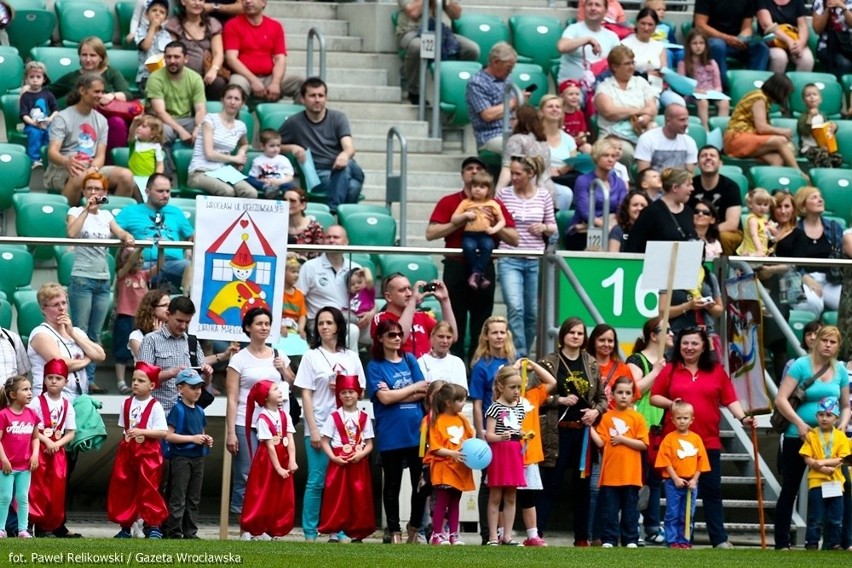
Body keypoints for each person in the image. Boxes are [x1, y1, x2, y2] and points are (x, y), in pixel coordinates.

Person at [651, 327, 754, 549]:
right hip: (677, 444)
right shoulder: (670, 370)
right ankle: (679, 538)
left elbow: (730, 399)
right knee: (677, 493)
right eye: (685, 343)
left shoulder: (717, 371)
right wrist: (672, 405)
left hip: (708, 442)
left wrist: (743, 418)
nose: (689, 348)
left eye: (694, 343)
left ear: (704, 346)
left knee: (712, 491)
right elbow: (654, 397)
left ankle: (718, 538)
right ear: (679, 346)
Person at [425, 156, 519, 362]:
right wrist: (461, 220)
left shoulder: (496, 204)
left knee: (482, 322)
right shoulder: (450, 201)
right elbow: (431, 233)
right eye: (469, 168)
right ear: (462, 175)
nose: (474, 172)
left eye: (479, 168)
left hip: (484, 267)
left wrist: (492, 223)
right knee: (454, 319)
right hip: (456, 266)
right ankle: (455, 366)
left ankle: (478, 369)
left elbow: (514, 239)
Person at [772, 325, 850, 550]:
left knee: (845, 486)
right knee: (790, 488)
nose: (827, 344)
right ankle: (782, 542)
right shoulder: (801, 365)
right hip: (800, 435)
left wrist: (843, 425)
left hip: (831, 441)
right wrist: (799, 423)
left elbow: (845, 405)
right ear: (815, 341)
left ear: (838, 346)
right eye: (824, 340)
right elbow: (781, 399)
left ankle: (841, 541)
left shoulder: (840, 371)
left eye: (833, 342)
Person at [293, 306, 366, 542]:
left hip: (347, 430)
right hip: (321, 423)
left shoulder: (351, 357)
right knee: (316, 480)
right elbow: (305, 394)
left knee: (341, 483)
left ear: (338, 327)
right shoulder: (311, 356)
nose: (324, 327)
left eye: (329, 322)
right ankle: (310, 532)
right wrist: (312, 429)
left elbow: (361, 391)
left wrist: (346, 388)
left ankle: (338, 529)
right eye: (321, 323)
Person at [536, 317, 606, 545]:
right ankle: (536, 534)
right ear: (563, 335)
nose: (576, 337)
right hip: (556, 432)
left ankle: (582, 538)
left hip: (583, 433)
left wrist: (595, 412)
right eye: (572, 333)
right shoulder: (548, 363)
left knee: (583, 486)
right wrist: (559, 399)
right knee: (550, 484)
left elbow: (602, 399)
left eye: (580, 333)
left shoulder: (591, 363)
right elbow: (535, 396)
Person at [66, 172, 136, 393]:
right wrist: (87, 209)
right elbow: (71, 233)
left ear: (105, 193)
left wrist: (127, 236)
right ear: (84, 192)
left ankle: (90, 378)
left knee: (95, 332)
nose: (93, 193)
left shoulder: (106, 217)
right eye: (89, 189)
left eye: (98, 189)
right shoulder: (75, 211)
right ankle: (78, 378)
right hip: (82, 278)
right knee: (80, 330)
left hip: (103, 280)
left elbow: (120, 231)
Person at [225, 307, 294, 519]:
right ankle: (242, 521)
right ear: (248, 327)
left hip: (274, 422)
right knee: (247, 472)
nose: (264, 328)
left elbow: (292, 382)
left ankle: (263, 520)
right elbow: (232, 397)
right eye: (259, 324)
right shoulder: (239, 359)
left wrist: (283, 368)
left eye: (267, 324)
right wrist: (230, 432)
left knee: (271, 471)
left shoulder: (278, 354)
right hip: (245, 421)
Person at [367, 319, 428, 544]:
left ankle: (414, 528)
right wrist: (409, 390)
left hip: (416, 432)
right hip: (391, 433)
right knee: (392, 484)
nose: (396, 339)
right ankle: (394, 531)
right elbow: (383, 398)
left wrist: (396, 393)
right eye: (391, 335)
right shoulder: (375, 365)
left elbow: (425, 390)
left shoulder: (410, 359)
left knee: (421, 484)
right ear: (380, 338)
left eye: (398, 334)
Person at [45, 73, 137, 204]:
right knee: (80, 176)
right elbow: (52, 153)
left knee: (126, 176)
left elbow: (100, 156)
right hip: (65, 167)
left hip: (91, 166)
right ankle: (68, 218)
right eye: (97, 91)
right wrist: (66, 161)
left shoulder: (102, 121)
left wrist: (93, 170)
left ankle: (108, 216)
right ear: (82, 91)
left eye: (102, 92)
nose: (101, 95)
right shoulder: (62, 117)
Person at [279, 77, 364, 213]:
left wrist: (344, 154)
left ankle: (333, 211)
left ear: (326, 98)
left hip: (340, 167)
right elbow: (272, 145)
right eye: (312, 96)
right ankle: (338, 217)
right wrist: (292, 147)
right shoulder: (294, 123)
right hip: (318, 175)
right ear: (302, 99)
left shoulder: (338, 118)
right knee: (353, 186)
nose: (317, 99)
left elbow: (349, 147)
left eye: (321, 95)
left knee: (346, 167)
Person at [107, 361, 169, 539]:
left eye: (141, 380)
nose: (135, 383)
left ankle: (154, 525)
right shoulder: (126, 404)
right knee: (125, 487)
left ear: (152, 385)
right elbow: (124, 428)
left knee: (149, 488)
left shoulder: (155, 406)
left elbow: (162, 432)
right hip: (127, 452)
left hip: (148, 453)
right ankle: (126, 525)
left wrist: (142, 431)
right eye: (133, 379)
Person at [626, 317, 672, 545]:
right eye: (667, 331)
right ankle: (631, 525)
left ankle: (653, 527)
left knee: (655, 480)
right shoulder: (637, 360)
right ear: (654, 335)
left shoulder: (670, 361)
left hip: (661, 428)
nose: (672, 334)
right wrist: (655, 372)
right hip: (639, 428)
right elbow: (633, 391)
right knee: (637, 480)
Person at [47, 37, 136, 154]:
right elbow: (48, 92)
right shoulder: (73, 77)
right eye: (84, 55)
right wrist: (29, 89)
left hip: (106, 117)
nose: (88, 59)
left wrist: (112, 95)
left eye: (93, 55)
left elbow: (128, 94)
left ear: (101, 57)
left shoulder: (111, 73)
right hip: (80, 118)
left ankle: (112, 160)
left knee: (117, 122)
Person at [590, 376, 648, 549]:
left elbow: (644, 444)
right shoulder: (606, 418)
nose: (623, 396)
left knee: (631, 510)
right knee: (609, 510)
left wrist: (623, 439)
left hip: (631, 475)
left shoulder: (637, 418)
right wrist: (589, 427)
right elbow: (601, 442)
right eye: (620, 392)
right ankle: (609, 539)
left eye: (627, 393)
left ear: (633, 396)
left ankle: (631, 539)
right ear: (612, 395)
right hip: (610, 475)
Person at [317, 375, 375, 542]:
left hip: (358, 462)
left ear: (358, 394)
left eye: (351, 392)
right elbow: (325, 441)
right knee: (336, 497)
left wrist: (361, 454)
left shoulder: (364, 418)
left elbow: (370, 444)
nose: (348, 395)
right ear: (339, 396)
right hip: (339, 463)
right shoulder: (334, 417)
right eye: (343, 392)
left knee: (359, 497)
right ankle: (334, 532)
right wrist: (334, 458)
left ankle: (358, 532)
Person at [138, 296, 216, 417]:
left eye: (187, 322)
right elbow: (143, 380)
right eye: (179, 321)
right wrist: (171, 373)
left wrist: (208, 375)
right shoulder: (150, 340)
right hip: (159, 414)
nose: (183, 326)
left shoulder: (192, 342)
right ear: (168, 315)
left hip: (188, 415)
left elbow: (201, 385)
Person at [116, 174, 195, 293]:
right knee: (134, 271)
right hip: (143, 264)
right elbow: (112, 229)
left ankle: (185, 299)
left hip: (174, 263)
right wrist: (124, 235)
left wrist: (189, 248)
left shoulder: (176, 212)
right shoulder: (130, 211)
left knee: (192, 266)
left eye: (168, 191)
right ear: (147, 192)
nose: (165, 195)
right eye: (160, 191)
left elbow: (191, 235)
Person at [28, 283, 106, 402]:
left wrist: (72, 333)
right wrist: (87, 359)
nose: (62, 308)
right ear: (44, 309)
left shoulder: (76, 331)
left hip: (79, 397)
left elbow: (100, 355)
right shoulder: (40, 333)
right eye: (55, 304)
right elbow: (61, 364)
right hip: (50, 399)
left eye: (64, 303)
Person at [240, 380, 296, 540]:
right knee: (263, 492)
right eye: (275, 389)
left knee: (280, 493)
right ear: (265, 397)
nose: (279, 392)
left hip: (283, 458)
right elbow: (270, 445)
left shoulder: (284, 415)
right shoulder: (263, 418)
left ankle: (274, 527)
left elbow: (290, 439)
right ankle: (255, 527)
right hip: (267, 461)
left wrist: (292, 460)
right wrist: (278, 467)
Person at [395, 0, 480, 105]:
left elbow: (456, 14)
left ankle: (454, 89)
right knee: (420, 47)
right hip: (414, 31)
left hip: (443, 32)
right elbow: (414, 12)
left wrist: (446, 2)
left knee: (471, 49)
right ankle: (414, 91)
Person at [163, 369, 213, 540]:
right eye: (192, 387)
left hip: (198, 458)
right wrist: (192, 438)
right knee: (178, 496)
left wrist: (206, 439)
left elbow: (201, 431)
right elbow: (168, 435)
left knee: (193, 497)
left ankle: (190, 532)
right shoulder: (178, 410)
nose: (197, 391)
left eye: (199, 387)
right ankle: (174, 531)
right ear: (180, 389)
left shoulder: (199, 410)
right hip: (181, 459)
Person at [296, 225, 363, 351]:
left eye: (336, 237)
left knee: (377, 327)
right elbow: (298, 297)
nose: (332, 240)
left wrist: (370, 313)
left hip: (350, 318)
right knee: (351, 331)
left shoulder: (356, 268)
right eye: (328, 237)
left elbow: (367, 298)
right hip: (319, 321)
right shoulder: (310, 266)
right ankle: (350, 368)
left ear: (346, 242)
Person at [27, 360, 75, 535]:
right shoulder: (35, 403)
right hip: (38, 449)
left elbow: (70, 432)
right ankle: (31, 522)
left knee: (56, 489)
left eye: (58, 378)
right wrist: (47, 441)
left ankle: (47, 526)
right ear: (44, 380)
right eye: (50, 377)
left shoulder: (67, 404)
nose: (54, 381)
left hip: (57, 453)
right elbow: (30, 428)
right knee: (36, 487)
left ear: (66, 382)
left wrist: (57, 444)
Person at [654, 400, 710, 549]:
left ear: (692, 420)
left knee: (688, 513)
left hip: (691, 483)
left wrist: (695, 480)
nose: (682, 421)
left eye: (685, 418)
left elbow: (701, 461)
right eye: (678, 418)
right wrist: (675, 478)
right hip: (673, 482)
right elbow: (665, 461)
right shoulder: (669, 439)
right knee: (673, 512)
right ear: (672, 419)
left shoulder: (696, 439)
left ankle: (685, 540)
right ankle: (672, 540)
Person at [223, 0, 303, 103]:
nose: (248, 1)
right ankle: (238, 118)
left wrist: (276, 83)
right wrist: (253, 80)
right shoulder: (232, 25)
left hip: (269, 77)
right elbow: (231, 58)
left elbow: (280, 58)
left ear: (264, 3)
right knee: (235, 88)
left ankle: (299, 118)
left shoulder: (275, 26)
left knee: (302, 84)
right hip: (243, 76)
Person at [187, 84, 256, 198]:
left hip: (223, 172)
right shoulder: (209, 120)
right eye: (229, 98)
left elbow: (244, 144)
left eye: (236, 99)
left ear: (242, 103)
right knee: (227, 191)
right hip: (200, 172)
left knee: (250, 193)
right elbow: (210, 154)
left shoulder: (241, 126)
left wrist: (241, 153)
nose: (232, 102)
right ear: (222, 100)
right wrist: (234, 159)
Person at [800, 396, 851, 550]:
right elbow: (807, 457)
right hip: (817, 481)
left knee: (836, 517)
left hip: (836, 482)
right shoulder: (812, 435)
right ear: (816, 417)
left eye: (829, 415)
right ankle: (812, 543)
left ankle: (832, 543)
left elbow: (842, 458)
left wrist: (821, 462)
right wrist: (820, 468)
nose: (824, 418)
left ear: (836, 418)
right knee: (816, 516)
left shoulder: (841, 436)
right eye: (821, 414)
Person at [724, 73, 803, 171]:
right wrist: (782, 131)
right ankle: (799, 173)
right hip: (736, 138)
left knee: (777, 159)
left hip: (749, 137)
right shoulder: (759, 98)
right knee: (780, 141)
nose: (785, 98)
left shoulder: (765, 100)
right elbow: (761, 128)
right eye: (785, 94)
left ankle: (772, 184)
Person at [515, 358, 557, 547]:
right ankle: (499, 534)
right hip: (508, 453)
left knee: (528, 496)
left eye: (521, 380)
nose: (518, 386)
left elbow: (552, 382)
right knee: (503, 495)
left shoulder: (532, 396)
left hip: (529, 455)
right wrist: (514, 368)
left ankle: (532, 534)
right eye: (513, 382)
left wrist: (532, 365)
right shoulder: (501, 400)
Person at [593, 45, 659, 164]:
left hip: (640, 131)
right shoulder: (605, 87)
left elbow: (651, 108)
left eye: (632, 62)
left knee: (657, 140)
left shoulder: (641, 82)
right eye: (627, 64)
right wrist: (639, 110)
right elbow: (610, 112)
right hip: (612, 136)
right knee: (626, 152)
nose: (632, 67)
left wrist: (645, 118)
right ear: (614, 66)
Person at [427, 382, 474, 545]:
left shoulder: (462, 419)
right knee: (442, 502)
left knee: (455, 502)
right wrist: (451, 453)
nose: (463, 404)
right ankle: (437, 534)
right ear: (449, 402)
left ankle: (454, 534)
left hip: (460, 468)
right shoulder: (437, 421)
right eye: (461, 401)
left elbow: (469, 439)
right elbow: (434, 448)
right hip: (444, 468)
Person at [484, 365, 526, 546]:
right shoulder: (495, 407)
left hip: (515, 452)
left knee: (511, 496)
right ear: (501, 386)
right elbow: (489, 435)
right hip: (499, 453)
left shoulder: (520, 407)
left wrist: (524, 435)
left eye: (519, 387)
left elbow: (519, 428)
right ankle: (493, 536)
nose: (517, 391)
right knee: (495, 496)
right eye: (513, 387)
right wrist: (500, 437)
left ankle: (507, 535)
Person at [371, 273, 455, 359]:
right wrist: (413, 301)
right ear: (388, 297)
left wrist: (445, 300)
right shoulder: (380, 318)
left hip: (427, 369)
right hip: (399, 371)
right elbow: (399, 338)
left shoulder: (421, 316)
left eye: (409, 289)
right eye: (402, 290)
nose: (409, 294)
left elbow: (452, 336)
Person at [564, 138, 628, 251]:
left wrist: (611, 228)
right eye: (606, 156)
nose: (610, 160)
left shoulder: (620, 183)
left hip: (611, 228)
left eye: (613, 156)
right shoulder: (583, 180)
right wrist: (606, 226)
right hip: (584, 231)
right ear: (596, 158)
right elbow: (585, 212)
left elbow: (622, 209)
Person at [792, 186, 845, 316]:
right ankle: (811, 334)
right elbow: (790, 262)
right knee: (813, 303)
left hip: (831, 279)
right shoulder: (794, 229)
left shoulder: (833, 227)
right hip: (803, 278)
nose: (820, 200)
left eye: (820, 197)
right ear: (803, 206)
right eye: (814, 197)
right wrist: (805, 278)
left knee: (846, 303)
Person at [694, 0, 769, 90]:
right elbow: (700, 25)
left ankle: (753, 86)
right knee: (718, 45)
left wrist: (742, 38)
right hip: (714, 39)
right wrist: (726, 38)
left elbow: (747, 27)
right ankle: (724, 87)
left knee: (761, 48)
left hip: (736, 41)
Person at [621, 8, 686, 109]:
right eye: (643, 23)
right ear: (637, 23)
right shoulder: (625, 44)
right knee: (653, 105)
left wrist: (664, 73)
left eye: (650, 24)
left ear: (655, 27)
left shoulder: (659, 46)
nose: (646, 28)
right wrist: (645, 75)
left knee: (679, 103)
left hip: (658, 88)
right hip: (635, 89)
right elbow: (622, 73)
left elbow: (664, 70)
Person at [146, 41, 207, 147]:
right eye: (168, 57)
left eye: (176, 57)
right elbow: (160, 112)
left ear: (186, 58)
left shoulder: (195, 78)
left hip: (187, 120)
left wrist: (198, 127)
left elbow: (200, 109)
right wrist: (180, 131)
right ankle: (166, 163)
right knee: (163, 131)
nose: (172, 61)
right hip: (163, 121)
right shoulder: (155, 78)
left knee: (207, 128)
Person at [165, 0, 228, 101]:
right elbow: (172, 53)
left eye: (201, 0)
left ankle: (211, 113)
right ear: (183, 2)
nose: (197, 3)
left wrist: (213, 70)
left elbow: (218, 53)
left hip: (206, 75)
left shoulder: (212, 23)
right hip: (182, 74)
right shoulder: (174, 25)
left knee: (218, 83)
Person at [0, 375, 39, 539]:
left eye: (30, 389)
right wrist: (4, 460)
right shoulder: (3, 415)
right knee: (5, 497)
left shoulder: (32, 414)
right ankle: (1, 529)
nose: (30, 392)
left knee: (23, 498)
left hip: (25, 467)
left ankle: (23, 529)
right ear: (12, 395)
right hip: (7, 467)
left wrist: (35, 455)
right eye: (25, 389)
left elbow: (36, 437)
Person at [624, 167, 696, 253]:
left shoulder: (688, 211)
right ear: (675, 187)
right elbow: (633, 245)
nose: (692, 189)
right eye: (688, 185)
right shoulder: (651, 212)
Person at [454, 171, 506, 289]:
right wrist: (465, 215)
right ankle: (479, 275)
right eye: (475, 186)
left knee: (488, 246)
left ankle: (475, 274)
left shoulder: (493, 204)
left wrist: (494, 229)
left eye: (482, 187)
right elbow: (454, 219)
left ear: (489, 190)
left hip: (485, 234)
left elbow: (502, 221)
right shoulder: (465, 203)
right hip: (469, 234)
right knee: (469, 247)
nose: (477, 189)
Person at [466, 42, 519, 153]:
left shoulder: (508, 80)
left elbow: (513, 110)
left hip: (513, 132)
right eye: (508, 68)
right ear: (496, 62)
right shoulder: (477, 83)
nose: (510, 72)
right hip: (491, 136)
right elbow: (488, 115)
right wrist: (513, 103)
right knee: (515, 148)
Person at [689, 146, 743, 255]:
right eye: (704, 156)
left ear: (720, 163)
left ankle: (724, 269)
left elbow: (732, 224)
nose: (708, 158)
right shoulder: (690, 186)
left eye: (712, 155)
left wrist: (707, 233)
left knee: (723, 237)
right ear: (697, 164)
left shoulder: (731, 186)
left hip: (726, 232)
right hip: (697, 230)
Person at [495, 105, 556, 200]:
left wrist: (498, 192)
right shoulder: (543, 142)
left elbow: (507, 167)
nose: (511, 121)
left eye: (514, 118)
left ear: (522, 121)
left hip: (527, 192)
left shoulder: (516, 139)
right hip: (549, 190)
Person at [556, 0, 620, 84]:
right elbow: (562, 47)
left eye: (597, 5)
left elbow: (620, 61)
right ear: (584, 8)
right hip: (572, 90)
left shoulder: (612, 36)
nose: (593, 8)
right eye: (589, 5)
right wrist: (587, 40)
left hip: (600, 89)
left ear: (605, 10)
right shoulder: (573, 29)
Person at [677, 28, 729, 131]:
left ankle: (720, 129)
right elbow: (682, 86)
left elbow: (718, 85)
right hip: (693, 94)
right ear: (689, 46)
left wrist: (715, 91)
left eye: (701, 43)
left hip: (711, 93)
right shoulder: (683, 64)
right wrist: (695, 91)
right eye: (694, 43)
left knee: (724, 102)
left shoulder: (712, 63)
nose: (698, 46)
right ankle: (705, 129)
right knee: (703, 102)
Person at [634, 104, 698, 173]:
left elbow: (689, 175)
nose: (686, 124)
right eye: (682, 120)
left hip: (680, 183)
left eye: (687, 119)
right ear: (668, 121)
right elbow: (644, 174)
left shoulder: (689, 142)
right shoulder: (647, 139)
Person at [756, 0, 813, 73]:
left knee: (807, 59)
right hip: (772, 42)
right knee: (780, 57)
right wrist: (789, 41)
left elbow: (802, 26)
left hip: (794, 40)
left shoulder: (798, 1)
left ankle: (799, 84)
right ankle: (776, 84)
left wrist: (801, 43)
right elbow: (767, 25)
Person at [19, 61, 58, 167]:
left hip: (46, 123)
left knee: (51, 134)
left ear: (44, 79)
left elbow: (55, 109)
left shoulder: (48, 94)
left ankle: (47, 156)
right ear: (26, 79)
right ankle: (34, 159)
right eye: (31, 77)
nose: (35, 80)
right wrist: (32, 122)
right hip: (32, 125)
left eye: (38, 77)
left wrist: (50, 119)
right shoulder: (25, 96)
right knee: (35, 134)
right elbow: (24, 114)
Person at [797, 83, 843, 168]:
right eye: (808, 95)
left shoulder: (822, 116)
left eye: (815, 94)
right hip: (808, 149)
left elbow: (828, 128)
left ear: (820, 99)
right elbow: (804, 131)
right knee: (823, 156)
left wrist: (835, 127)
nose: (812, 97)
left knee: (837, 158)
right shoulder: (803, 116)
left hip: (823, 147)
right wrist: (810, 117)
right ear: (804, 101)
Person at [417, 321, 468, 390]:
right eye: (441, 337)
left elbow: (462, 393)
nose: (445, 341)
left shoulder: (457, 362)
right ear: (432, 337)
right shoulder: (421, 362)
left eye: (448, 337)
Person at [135, 0, 173, 91]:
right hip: (146, 77)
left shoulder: (166, 35)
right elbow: (146, 46)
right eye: (154, 10)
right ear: (146, 15)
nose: (157, 14)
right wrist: (152, 27)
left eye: (162, 12)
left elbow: (169, 54)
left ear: (165, 18)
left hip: (163, 76)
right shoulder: (140, 31)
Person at [247, 129, 295, 199]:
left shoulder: (283, 159)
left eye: (278, 146)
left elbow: (290, 177)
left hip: (279, 183)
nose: (276, 149)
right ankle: (267, 188)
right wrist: (263, 181)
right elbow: (253, 177)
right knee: (248, 180)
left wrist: (279, 182)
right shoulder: (258, 160)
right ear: (263, 146)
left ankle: (283, 197)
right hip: (264, 183)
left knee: (290, 186)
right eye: (272, 146)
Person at [812, 0, 852, 79]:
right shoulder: (820, 2)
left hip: (849, 45)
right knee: (845, 64)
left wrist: (843, 8)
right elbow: (817, 30)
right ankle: (838, 89)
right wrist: (828, 9)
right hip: (827, 46)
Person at [128, 289, 170, 361]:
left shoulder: (173, 331)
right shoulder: (136, 336)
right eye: (164, 305)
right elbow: (147, 360)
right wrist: (156, 337)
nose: (169, 309)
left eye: (170, 305)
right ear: (152, 309)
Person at [284, 188, 324, 260]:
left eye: (292, 201)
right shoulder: (277, 226)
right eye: (284, 200)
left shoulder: (315, 228)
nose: (287, 203)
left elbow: (318, 258)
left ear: (303, 205)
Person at [737, 188, 775, 256]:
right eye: (759, 204)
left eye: (765, 204)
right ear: (751, 204)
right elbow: (754, 235)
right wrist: (759, 250)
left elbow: (769, 234)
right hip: (751, 251)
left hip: (761, 251)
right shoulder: (753, 219)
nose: (762, 207)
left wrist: (772, 230)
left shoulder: (764, 218)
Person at [558, 82, 591, 154]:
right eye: (571, 94)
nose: (574, 97)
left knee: (588, 148)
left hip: (576, 145)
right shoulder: (559, 114)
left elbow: (581, 132)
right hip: (562, 144)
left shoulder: (579, 114)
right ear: (562, 96)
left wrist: (582, 138)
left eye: (577, 94)